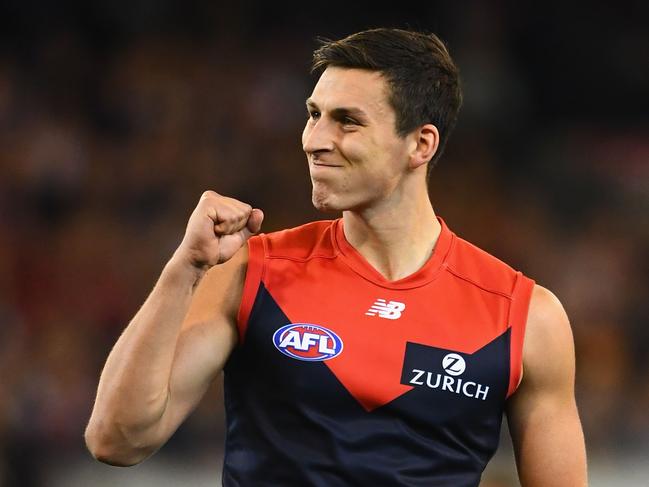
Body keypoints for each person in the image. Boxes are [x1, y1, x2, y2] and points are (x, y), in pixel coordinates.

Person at [85, 28, 587, 486]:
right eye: (313, 115)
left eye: (347, 121)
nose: (314, 140)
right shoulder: (251, 272)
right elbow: (117, 440)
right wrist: (184, 271)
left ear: (420, 144)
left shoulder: (523, 317)